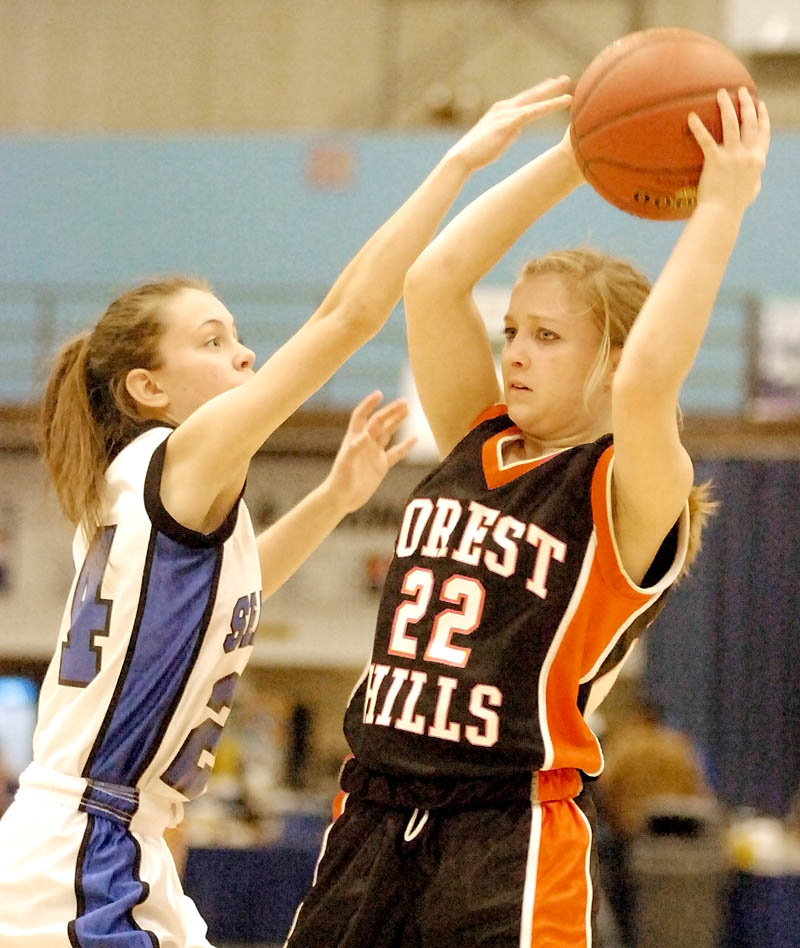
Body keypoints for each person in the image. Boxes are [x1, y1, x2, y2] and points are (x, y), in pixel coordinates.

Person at [0, 82, 571, 948]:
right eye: (213, 341)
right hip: (81, 848)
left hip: (106, 843)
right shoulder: (178, 457)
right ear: (148, 389)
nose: (245, 352)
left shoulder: (138, 494)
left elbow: (235, 590)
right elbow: (349, 314)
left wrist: (337, 498)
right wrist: (457, 162)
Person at [283, 82, 770, 948]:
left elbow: (652, 377)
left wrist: (722, 209)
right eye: (512, 331)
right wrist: (578, 156)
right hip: (373, 809)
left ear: (609, 356)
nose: (513, 352)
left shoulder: (629, 485)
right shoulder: (478, 436)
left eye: (546, 337)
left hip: (508, 825)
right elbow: (434, 281)